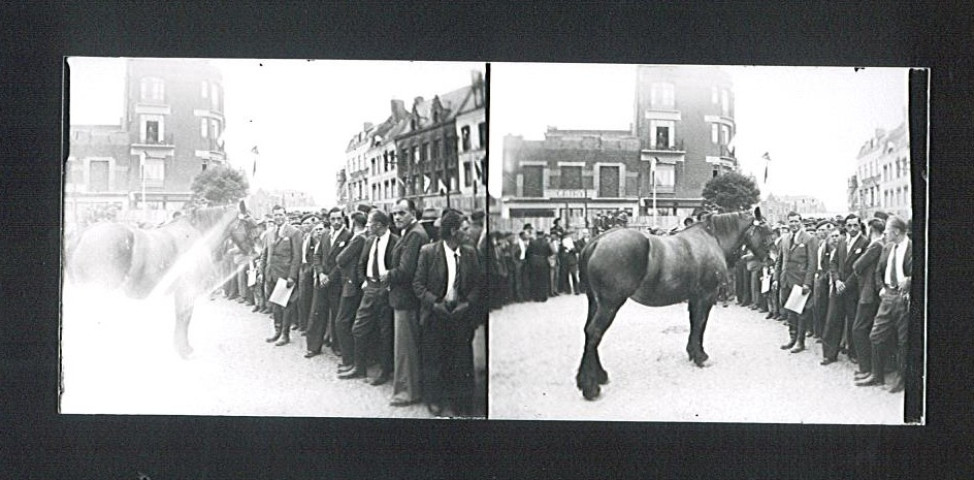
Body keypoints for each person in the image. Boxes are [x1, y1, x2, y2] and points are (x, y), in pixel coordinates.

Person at [414, 210, 483, 417]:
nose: (468, 231)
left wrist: (467, 304)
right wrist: (435, 304)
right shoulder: (428, 252)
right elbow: (418, 285)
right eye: (464, 228)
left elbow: (478, 284)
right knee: (435, 359)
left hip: (461, 315)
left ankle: (461, 402)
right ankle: (434, 400)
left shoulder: (470, 253)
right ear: (453, 231)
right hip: (436, 315)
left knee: (461, 360)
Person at [341, 210, 398, 383]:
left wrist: (387, 285)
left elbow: (397, 267)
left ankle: (384, 372)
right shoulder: (370, 240)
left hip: (385, 290)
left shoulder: (395, 242)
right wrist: (364, 282)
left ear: (379, 225)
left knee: (384, 332)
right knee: (358, 328)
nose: (367, 227)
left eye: (370, 224)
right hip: (370, 288)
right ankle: (359, 368)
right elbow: (361, 263)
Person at [857, 215, 911, 393]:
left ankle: (901, 379)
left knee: (904, 340)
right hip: (887, 296)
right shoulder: (887, 247)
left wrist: (910, 280)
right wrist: (881, 288)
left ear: (896, 232)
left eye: (887, 231)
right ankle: (876, 375)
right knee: (876, 335)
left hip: (904, 298)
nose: (884, 234)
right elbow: (878, 271)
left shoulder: (913, 248)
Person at [387, 199, 429, 404]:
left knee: (406, 348)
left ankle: (408, 392)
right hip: (405, 298)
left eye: (401, 213)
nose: (397, 217)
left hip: (406, 299)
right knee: (406, 346)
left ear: (413, 212)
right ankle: (409, 389)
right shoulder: (412, 232)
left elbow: (406, 271)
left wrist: (386, 275)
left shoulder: (414, 234)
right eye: (394, 214)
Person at [822, 214, 869, 363]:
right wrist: (836, 281)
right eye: (849, 226)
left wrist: (846, 284)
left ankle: (853, 353)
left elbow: (860, 269)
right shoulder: (842, 242)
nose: (852, 228)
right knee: (833, 319)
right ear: (845, 227)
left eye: (855, 225)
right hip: (838, 287)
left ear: (860, 226)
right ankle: (830, 354)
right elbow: (834, 263)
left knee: (853, 321)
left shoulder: (865, 243)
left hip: (853, 289)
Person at [846, 217, 885, 374]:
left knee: (858, 329)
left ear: (871, 229)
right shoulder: (881, 245)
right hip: (871, 292)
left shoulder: (875, 245)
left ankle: (865, 368)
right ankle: (868, 368)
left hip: (867, 293)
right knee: (865, 329)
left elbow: (857, 265)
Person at [260, 205, 302, 346]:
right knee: (275, 305)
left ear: (285, 215)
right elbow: (265, 254)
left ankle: (285, 334)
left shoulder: (294, 232)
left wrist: (292, 276)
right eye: (275, 215)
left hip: (285, 274)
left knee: (286, 305)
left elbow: (297, 256)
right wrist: (263, 272)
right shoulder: (269, 233)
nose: (278, 217)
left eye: (280, 214)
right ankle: (277, 331)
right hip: (271, 273)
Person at [774, 212, 815, 353]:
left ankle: (800, 341)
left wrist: (807, 283)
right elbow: (780, 260)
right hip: (786, 280)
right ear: (788, 223)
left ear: (801, 222)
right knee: (790, 311)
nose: (794, 224)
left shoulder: (809, 239)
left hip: (800, 281)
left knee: (801, 313)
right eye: (791, 222)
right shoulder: (785, 239)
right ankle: (792, 338)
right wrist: (776, 278)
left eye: (796, 221)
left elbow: (812, 263)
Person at [334, 211, 368, 372]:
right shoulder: (364, 238)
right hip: (355, 284)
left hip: (351, 285)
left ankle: (349, 360)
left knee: (342, 322)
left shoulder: (358, 239)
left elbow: (340, 259)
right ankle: (351, 360)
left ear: (354, 223)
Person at [296, 214, 320, 334]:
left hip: (310, 268)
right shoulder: (303, 236)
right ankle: (302, 323)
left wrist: (311, 268)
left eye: (307, 223)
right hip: (303, 267)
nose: (305, 226)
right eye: (303, 224)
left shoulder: (315, 236)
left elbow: (316, 254)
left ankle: (308, 326)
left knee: (309, 298)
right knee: (302, 298)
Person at [811, 220, 835, 341]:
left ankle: (823, 333)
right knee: (818, 305)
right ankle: (818, 331)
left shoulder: (830, 243)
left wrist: (826, 275)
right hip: (818, 275)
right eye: (819, 230)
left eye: (824, 229)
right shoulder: (819, 243)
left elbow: (831, 262)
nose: (822, 232)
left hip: (825, 276)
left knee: (825, 305)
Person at [525, 228, 553, 302]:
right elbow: (550, 252)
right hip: (543, 262)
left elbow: (528, 253)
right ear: (543, 234)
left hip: (534, 263)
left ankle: (536, 297)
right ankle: (543, 297)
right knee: (544, 280)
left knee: (535, 279)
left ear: (536, 234)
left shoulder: (532, 242)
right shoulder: (546, 243)